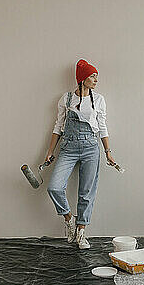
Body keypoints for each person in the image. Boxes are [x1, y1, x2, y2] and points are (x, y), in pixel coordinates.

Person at [45, 59, 115, 249]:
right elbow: (58, 126)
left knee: (86, 193)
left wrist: (108, 151)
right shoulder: (66, 99)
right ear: (82, 78)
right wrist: (50, 151)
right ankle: (69, 219)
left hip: (91, 147)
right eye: (92, 76)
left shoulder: (99, 99)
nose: (96, 79)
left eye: (96, 76)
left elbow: (102, 126)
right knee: (54, 187)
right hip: (68, 148)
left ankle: (81, 232)